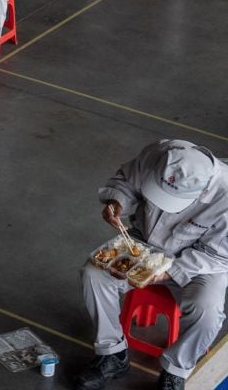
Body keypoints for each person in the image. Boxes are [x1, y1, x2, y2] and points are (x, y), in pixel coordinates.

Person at [75, 140, 228, 390]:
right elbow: (126, 180)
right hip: (146, 241)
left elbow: (219, 255)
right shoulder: (160, 154)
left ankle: (175, 370)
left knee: (207, 311)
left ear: (202, 193)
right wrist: (117, 202)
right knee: (94, 274)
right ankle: (113, 353)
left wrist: (169, 271)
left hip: (201, 262)